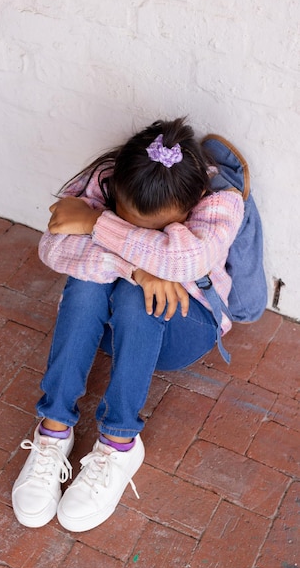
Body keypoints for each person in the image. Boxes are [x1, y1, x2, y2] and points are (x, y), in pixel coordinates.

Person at [12, 117, 244, 532]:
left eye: (154, 231)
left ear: (191, 204)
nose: (135, 231)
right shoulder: (105, 176)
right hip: (111, 332)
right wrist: (138, 268)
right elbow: (53, 246)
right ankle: (54, 430)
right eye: (124, 215)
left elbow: (184, 261)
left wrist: (99, 225)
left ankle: (119, 443)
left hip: (182, 331)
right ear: (117, 185)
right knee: (89, 285)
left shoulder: (220, 201)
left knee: (137, 297)